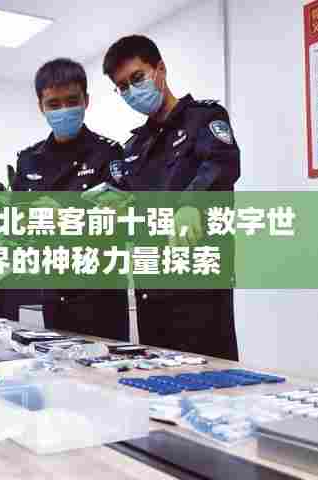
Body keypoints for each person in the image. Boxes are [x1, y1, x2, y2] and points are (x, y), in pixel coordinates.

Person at [102, 35, 240, 360]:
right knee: (158, 379)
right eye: (122, 87)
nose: (131, 91)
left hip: (199, 287)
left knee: (211, 378)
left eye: (137, 78)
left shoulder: (203, 118)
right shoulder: (134, 147)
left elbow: (222, 163)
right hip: (151, 288)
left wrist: (191, 205)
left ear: (160, 69)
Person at [10, 58, 130, 341]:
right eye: (53, 104)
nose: (63, 110)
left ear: (86, 100)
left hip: (101, 297)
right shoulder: (29, 160)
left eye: (72, 101)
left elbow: (121, 221)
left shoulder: (108, 153)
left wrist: (63, 217)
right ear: (41, 106)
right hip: (53, 293)